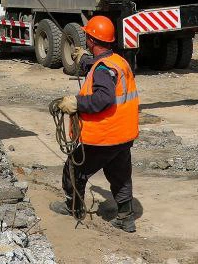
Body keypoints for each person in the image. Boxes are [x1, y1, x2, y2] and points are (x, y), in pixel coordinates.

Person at [50, 16, 139, 233]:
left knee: (74, 168)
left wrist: (76, 103)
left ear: (91, 40)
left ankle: (74, 207)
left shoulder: (102, 70)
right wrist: (85, 60)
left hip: (104, 136)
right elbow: (103, 67)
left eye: (88, 37)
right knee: (120, 175)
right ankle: (125, 218)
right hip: (123, 135)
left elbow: (103, 98)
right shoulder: (118, 61)